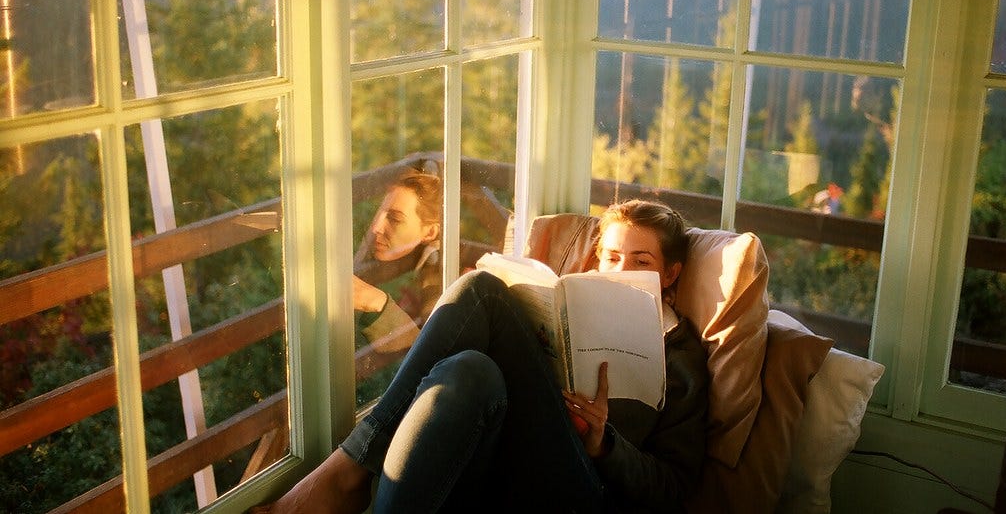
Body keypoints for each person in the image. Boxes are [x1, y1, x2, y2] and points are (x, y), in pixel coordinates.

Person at [259, 199, 708, 513]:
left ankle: (347, 473)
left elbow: (673, 488)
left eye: (641, 261)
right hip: (512, 456)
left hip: (585, 494)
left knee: (481, 294)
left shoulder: (683, 358)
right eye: (611, 257)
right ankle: (354, 483)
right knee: (467, 371)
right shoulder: (576, 311)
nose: (621, 271)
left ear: (670, 273)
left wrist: (605, 444)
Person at [353, 172, 442, 354]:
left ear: (430, 233)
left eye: (394, 219)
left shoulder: (440, 279)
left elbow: (435, 358)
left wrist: (377, 303)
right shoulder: (392, 258)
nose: (375, 227)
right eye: (380, 212)